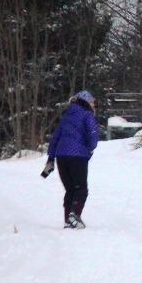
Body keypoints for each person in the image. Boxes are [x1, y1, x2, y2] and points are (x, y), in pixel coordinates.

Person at [42, 90, 102, 229]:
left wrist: (51, 157)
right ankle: (74, 217)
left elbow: (55, 138)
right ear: (86, 101)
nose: (93, 104)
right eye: (92, 101)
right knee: (81, 188)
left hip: (61, 156)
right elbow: (93, 134)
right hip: (78, 155)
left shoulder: (66, 116)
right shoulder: (87, 115)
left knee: (70, 189)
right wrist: (90, 148)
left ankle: (67, 219)